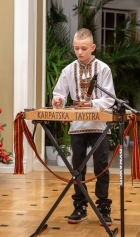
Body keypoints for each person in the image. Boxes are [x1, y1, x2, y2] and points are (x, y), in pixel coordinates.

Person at [52, 28, 115, 226]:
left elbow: (110, 99)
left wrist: (93, 104)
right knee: (77, 167)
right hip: (77, 124)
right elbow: (59, 93)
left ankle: (103, 206)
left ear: (93, 47)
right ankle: (80, 206)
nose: (79, 52)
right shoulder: (68, 70)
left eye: (84, 48)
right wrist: (58, 100)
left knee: (101, 166)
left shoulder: (103, 68)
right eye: (76, 48)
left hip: (98, 125)